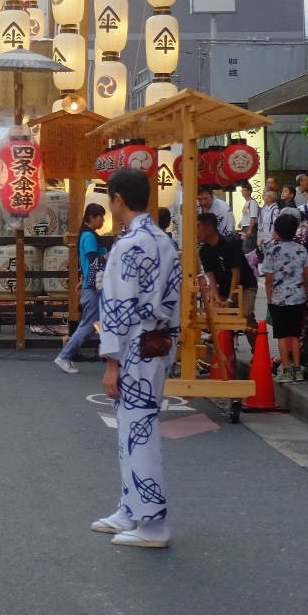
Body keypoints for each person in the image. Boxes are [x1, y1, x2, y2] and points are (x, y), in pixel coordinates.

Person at [93, 166, 179, 549]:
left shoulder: (128, 245)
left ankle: (152, 523)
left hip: (133, 347)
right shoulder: (163, 240)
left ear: (118, 200)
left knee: (139, 432)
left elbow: (116, 306)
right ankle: (131, 508)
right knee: (134, 427)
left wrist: (112, 362)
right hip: (159, 343)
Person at [55, 204, 108, 374]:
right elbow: (95, 260)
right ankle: (64, 355)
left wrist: (83, 279)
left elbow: (88, 264)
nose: (103, 220)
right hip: (94, 287)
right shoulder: (89, 237)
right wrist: (113, 253)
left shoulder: (86, 235)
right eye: (101, 217)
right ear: (92, 218)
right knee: (88, 325)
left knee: (92, 323)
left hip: (91, 285)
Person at [260, 209, 308, 382]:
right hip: (298, 298)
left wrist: (269, 299)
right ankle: (297, 368)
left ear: (277, 230)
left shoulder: (272, 252)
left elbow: (268, 278)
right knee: (295, 334)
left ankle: (287, 370)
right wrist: (306, 294)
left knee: (282, 335)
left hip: (279, 299)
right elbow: (307, 275)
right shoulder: (301, 249)